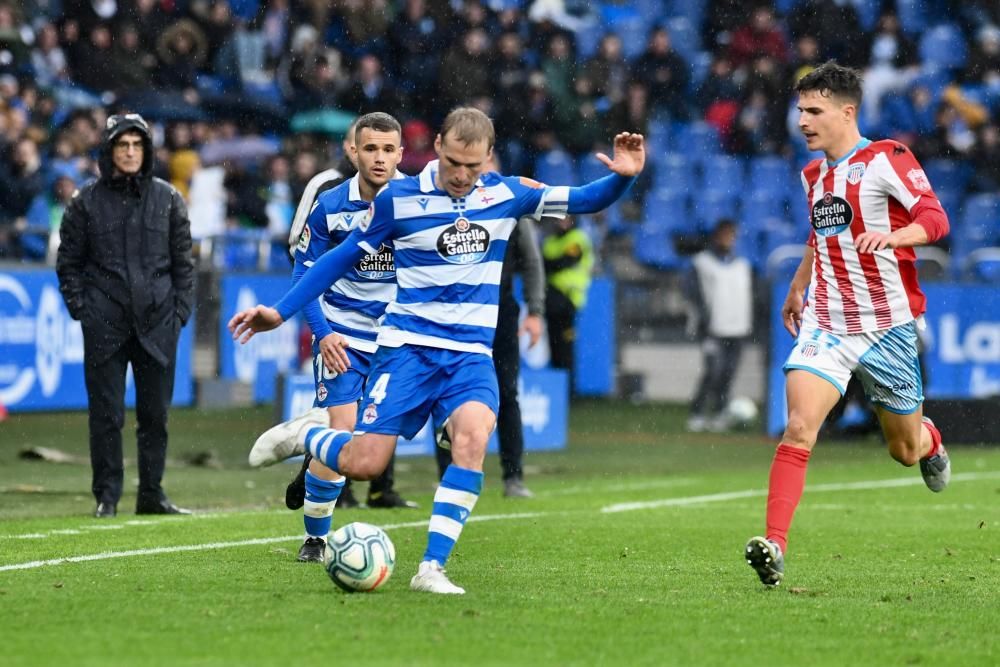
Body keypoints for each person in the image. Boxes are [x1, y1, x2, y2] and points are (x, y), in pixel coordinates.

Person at [229, 107, 645, 594]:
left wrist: (624, 178)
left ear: (488, 158)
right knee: (366, 464)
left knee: (471, 439)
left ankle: (431, 568)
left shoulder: (506, 192)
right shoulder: (399, 200)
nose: (462, 176)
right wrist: (280, 312)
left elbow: (584, 199)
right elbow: (338, 259)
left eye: (472, 166)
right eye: (452, 163)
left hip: (469, 356)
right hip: (407, 349)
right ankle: (311, 438)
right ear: (438, 147)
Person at [745, 62, 952, 587]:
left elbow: (936, 219)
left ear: (847, 112)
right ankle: (775, 545)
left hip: (888, 327)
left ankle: (929, 438)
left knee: (903, 451)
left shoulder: (888, 158)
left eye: (814, 111)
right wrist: (798, 285)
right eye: (800, 111)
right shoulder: (812, 174)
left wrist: (896, 238)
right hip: (828, 324)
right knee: (798, 428)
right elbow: (823, 237)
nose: (804, 122)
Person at [252, 112, 418, 562]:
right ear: (353, 151)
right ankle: (315, 539)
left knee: (370, 448)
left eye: (388, 150)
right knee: (343, 431)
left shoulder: (416, 201)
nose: (380, 159)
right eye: (370, 149)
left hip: (396, 340)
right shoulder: (330, 204)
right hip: (342, 336)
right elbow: (304, 275)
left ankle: (311, 447)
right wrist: (323, 335)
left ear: (401, 154)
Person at [56, 113, 194, 518]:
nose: (131, 152)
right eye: (123, 145)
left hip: (158, 324)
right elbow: (68, 265)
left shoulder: (169, 198)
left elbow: (184, 265)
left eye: (137, 145)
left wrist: (179, 313)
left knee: (156, 417)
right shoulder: (84, 202)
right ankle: (107, 498)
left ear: (147, 151)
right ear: (109, 151)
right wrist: (84, 311)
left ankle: (151, 493)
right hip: (105, 325)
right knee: (106, 417)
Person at [435, 154, 546, 499]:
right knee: (445, 394)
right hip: (451, 314)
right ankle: (449, 475)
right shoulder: (442, 208)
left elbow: (531, 262)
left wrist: (535, 311)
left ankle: (513, 476)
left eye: (481, 165)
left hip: (500, 313)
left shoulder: (510, 207)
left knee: (506, 392)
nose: (473, 173)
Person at [684, 219, 753, 432]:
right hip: (712, 328)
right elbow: (691, 293)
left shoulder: (742, 264)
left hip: (738, 328)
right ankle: (697, 412)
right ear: (716, 236)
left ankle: (720, 413)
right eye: (725, 234)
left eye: (731, 235)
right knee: (713, 371)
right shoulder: (702, 263)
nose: (728, 239)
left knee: (728, 373)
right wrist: (702, 319)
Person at [542, 214, 593, 392]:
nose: (561, 223)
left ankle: (569, 389)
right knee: (553, 344)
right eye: (559, 219)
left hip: (568, 298)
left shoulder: (577, 238)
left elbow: (565, 261)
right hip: (551, 298)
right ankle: (558, 389)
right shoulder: (550, 241)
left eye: (565, 219)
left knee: (565, 345)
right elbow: (546, 264)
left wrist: (551, 263)